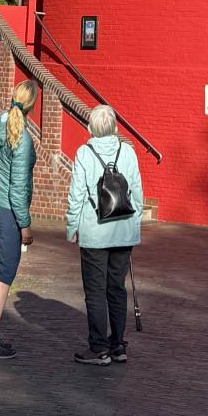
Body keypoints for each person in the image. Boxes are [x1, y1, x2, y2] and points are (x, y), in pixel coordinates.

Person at [65, 103, 143, 367]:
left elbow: (76, 196)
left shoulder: (84, 153)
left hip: (95, 233)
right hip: (123, 232)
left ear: (90, 128)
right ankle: (118, 344)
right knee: (117, 289)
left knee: (95, 291)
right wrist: (134, 226)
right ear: (115, 127)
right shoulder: (129, 152)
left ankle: (98, 349)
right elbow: (137, 194)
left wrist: (72, 228)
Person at [0, 79, 38, 360]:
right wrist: (25, 225)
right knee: (4, 277)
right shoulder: (22, 139)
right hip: (8, 211)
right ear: (32, 106)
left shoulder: (0, 121)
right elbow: (19, 187)